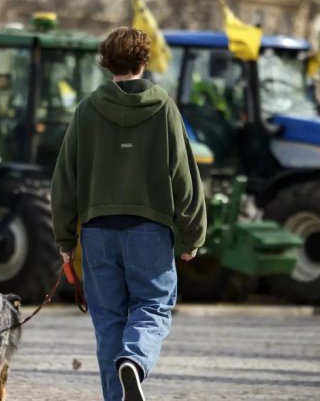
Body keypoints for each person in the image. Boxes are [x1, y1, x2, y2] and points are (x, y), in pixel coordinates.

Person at [51, 27, 207, 401]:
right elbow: (184, 174)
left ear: (106, 63)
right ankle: (134, 361)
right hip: (149, 230)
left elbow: (64, 179)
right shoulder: (165, 108)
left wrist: (64, 239)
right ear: (144, 60)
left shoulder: (86, 110)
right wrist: (192, 235)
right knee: (153, 306)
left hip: (97, 232)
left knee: (108, 324)